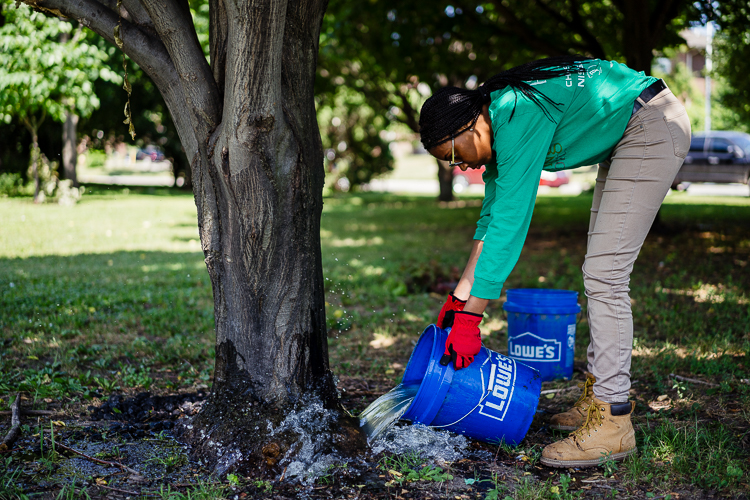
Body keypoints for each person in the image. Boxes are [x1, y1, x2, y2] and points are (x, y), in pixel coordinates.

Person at [420, 56, 691, 468]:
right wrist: (459, 300)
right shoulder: (498, 118)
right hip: (626, 130)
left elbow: (511, 223)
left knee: (606, 276)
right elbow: (490, 220)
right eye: (452, 163)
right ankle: (600, 398)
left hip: (649, 124)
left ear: (472, 124)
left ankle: (613, 423)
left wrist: (472, 318)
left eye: (456, 153)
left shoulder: (515, 111)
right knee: (600, 273)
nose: (461, 166)